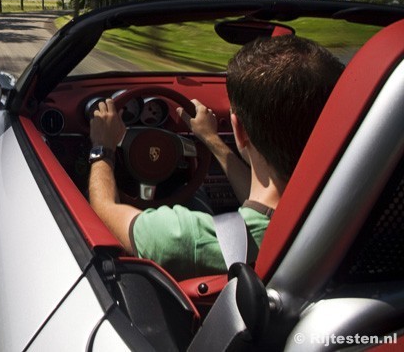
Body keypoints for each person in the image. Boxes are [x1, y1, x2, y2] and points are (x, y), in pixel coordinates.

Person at [88, 35, 344, 280]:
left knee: (194, 196)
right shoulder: (348, 218)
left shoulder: (188, 239)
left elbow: (105, 211)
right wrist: (210, 139)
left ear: (239, 131)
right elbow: (263, 196)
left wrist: (104, 147)